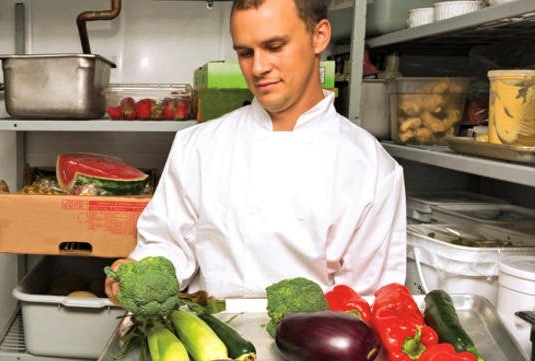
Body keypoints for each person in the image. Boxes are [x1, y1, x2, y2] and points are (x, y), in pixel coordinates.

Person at [105, 0, 406, 301]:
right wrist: (141, 269)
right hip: (209, 337)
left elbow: (362, 301)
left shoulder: (373, 169)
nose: (258, 68)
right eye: (246, 53)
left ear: (319, 36)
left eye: (274, 46)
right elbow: (168, 243)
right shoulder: (197, 146)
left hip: (312, 343)